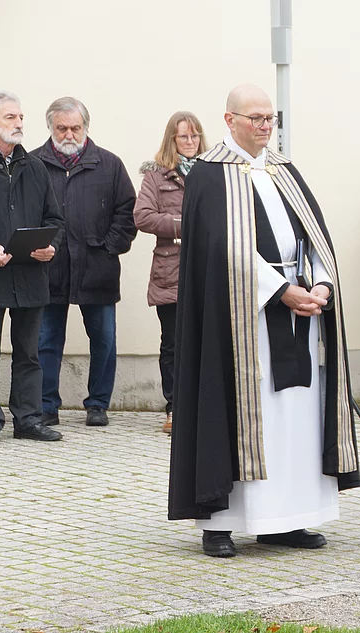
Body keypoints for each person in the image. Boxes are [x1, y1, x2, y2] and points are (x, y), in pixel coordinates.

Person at [168, 84, 360, 558]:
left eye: (269, 117)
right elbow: (221, 251)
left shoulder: (282, 169)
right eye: (254, 117)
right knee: (238, 413)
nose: (264, 125)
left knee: (295, 420)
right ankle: (223, 522)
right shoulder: (210, 176)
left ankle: (286, 519)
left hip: (300, 316)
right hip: (240, 325)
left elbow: (313, 236)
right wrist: (279, 291)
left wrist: (320, 284)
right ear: (229, 119)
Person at [0, 91, 64, 446]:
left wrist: (51, 245)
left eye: (21, 117)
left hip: (29, 276)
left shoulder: (35, 167)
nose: (19, 123)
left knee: (29, 354)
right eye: (10, 117)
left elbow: (54, 218)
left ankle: (28, 419)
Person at [32, 97, 136, 428]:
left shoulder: (109, 164)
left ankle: (98, 404)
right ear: (50, 127)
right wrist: (33, 248)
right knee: (45, 340)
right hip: (48, 268)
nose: (68, 133)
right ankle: (46, 405)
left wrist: (109, 248)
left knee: (104, 339)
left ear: (86, 127)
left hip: (97, 267)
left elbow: (127, 211)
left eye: (75, 127)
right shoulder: (33, 164)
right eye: (61, 127)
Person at [134, 111, 208, 434]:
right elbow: (143, 216)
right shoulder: (156, 176)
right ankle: (175, 408)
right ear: (172, 140)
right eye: (183, 137)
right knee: (174, 344)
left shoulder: (213, 172)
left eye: (194, 136)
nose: (190, 142)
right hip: (170, 270)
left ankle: (205, 408)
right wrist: (183, 224)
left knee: (207, 341)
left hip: (207, 267)